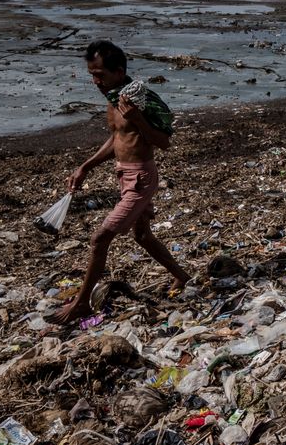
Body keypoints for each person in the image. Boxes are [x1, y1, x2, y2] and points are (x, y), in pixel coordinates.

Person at [46, 40, 190, 326]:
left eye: (100, 74)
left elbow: (163, 142)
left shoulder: (138, 100)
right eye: (92, 74)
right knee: (142, 236)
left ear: (119, 71)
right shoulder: (114, 99)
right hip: (125, 176)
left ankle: (82, 304)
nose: (95, 81)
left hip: (141, 179)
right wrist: (85, 167)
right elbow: (117, 139)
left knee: (100, 238)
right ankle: (182, 276)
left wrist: (138, 119)